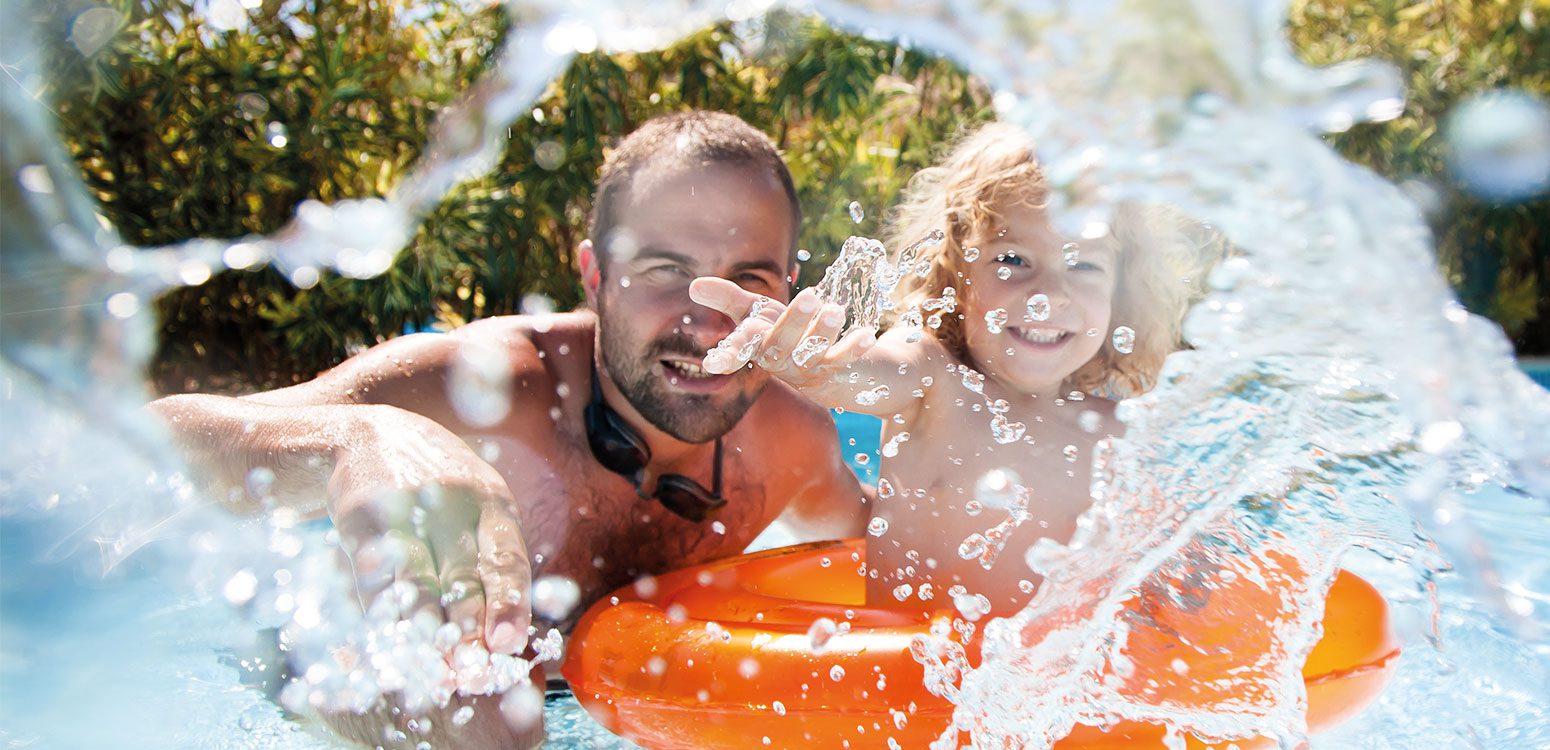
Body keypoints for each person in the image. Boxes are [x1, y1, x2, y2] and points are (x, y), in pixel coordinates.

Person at [149, 110, 865, 748]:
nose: (710, 322)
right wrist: (357, 441)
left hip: (591, 706)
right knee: (487, 717)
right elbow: (156, 440)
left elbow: (905, 556)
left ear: (789, 289)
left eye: (750, 279)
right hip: (310, 684)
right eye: (665, 270)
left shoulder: (792, 438)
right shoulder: (481, 388)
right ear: (595, 276)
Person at [691, 121, 1216, 616]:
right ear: (957, 276)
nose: (1049, 294)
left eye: (1083, 265)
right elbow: (869, 372)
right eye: (1012, 261)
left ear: (1121, 293)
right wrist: (814, 365)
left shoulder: (1119, 433)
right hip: (907, 690)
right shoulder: (934, 378)